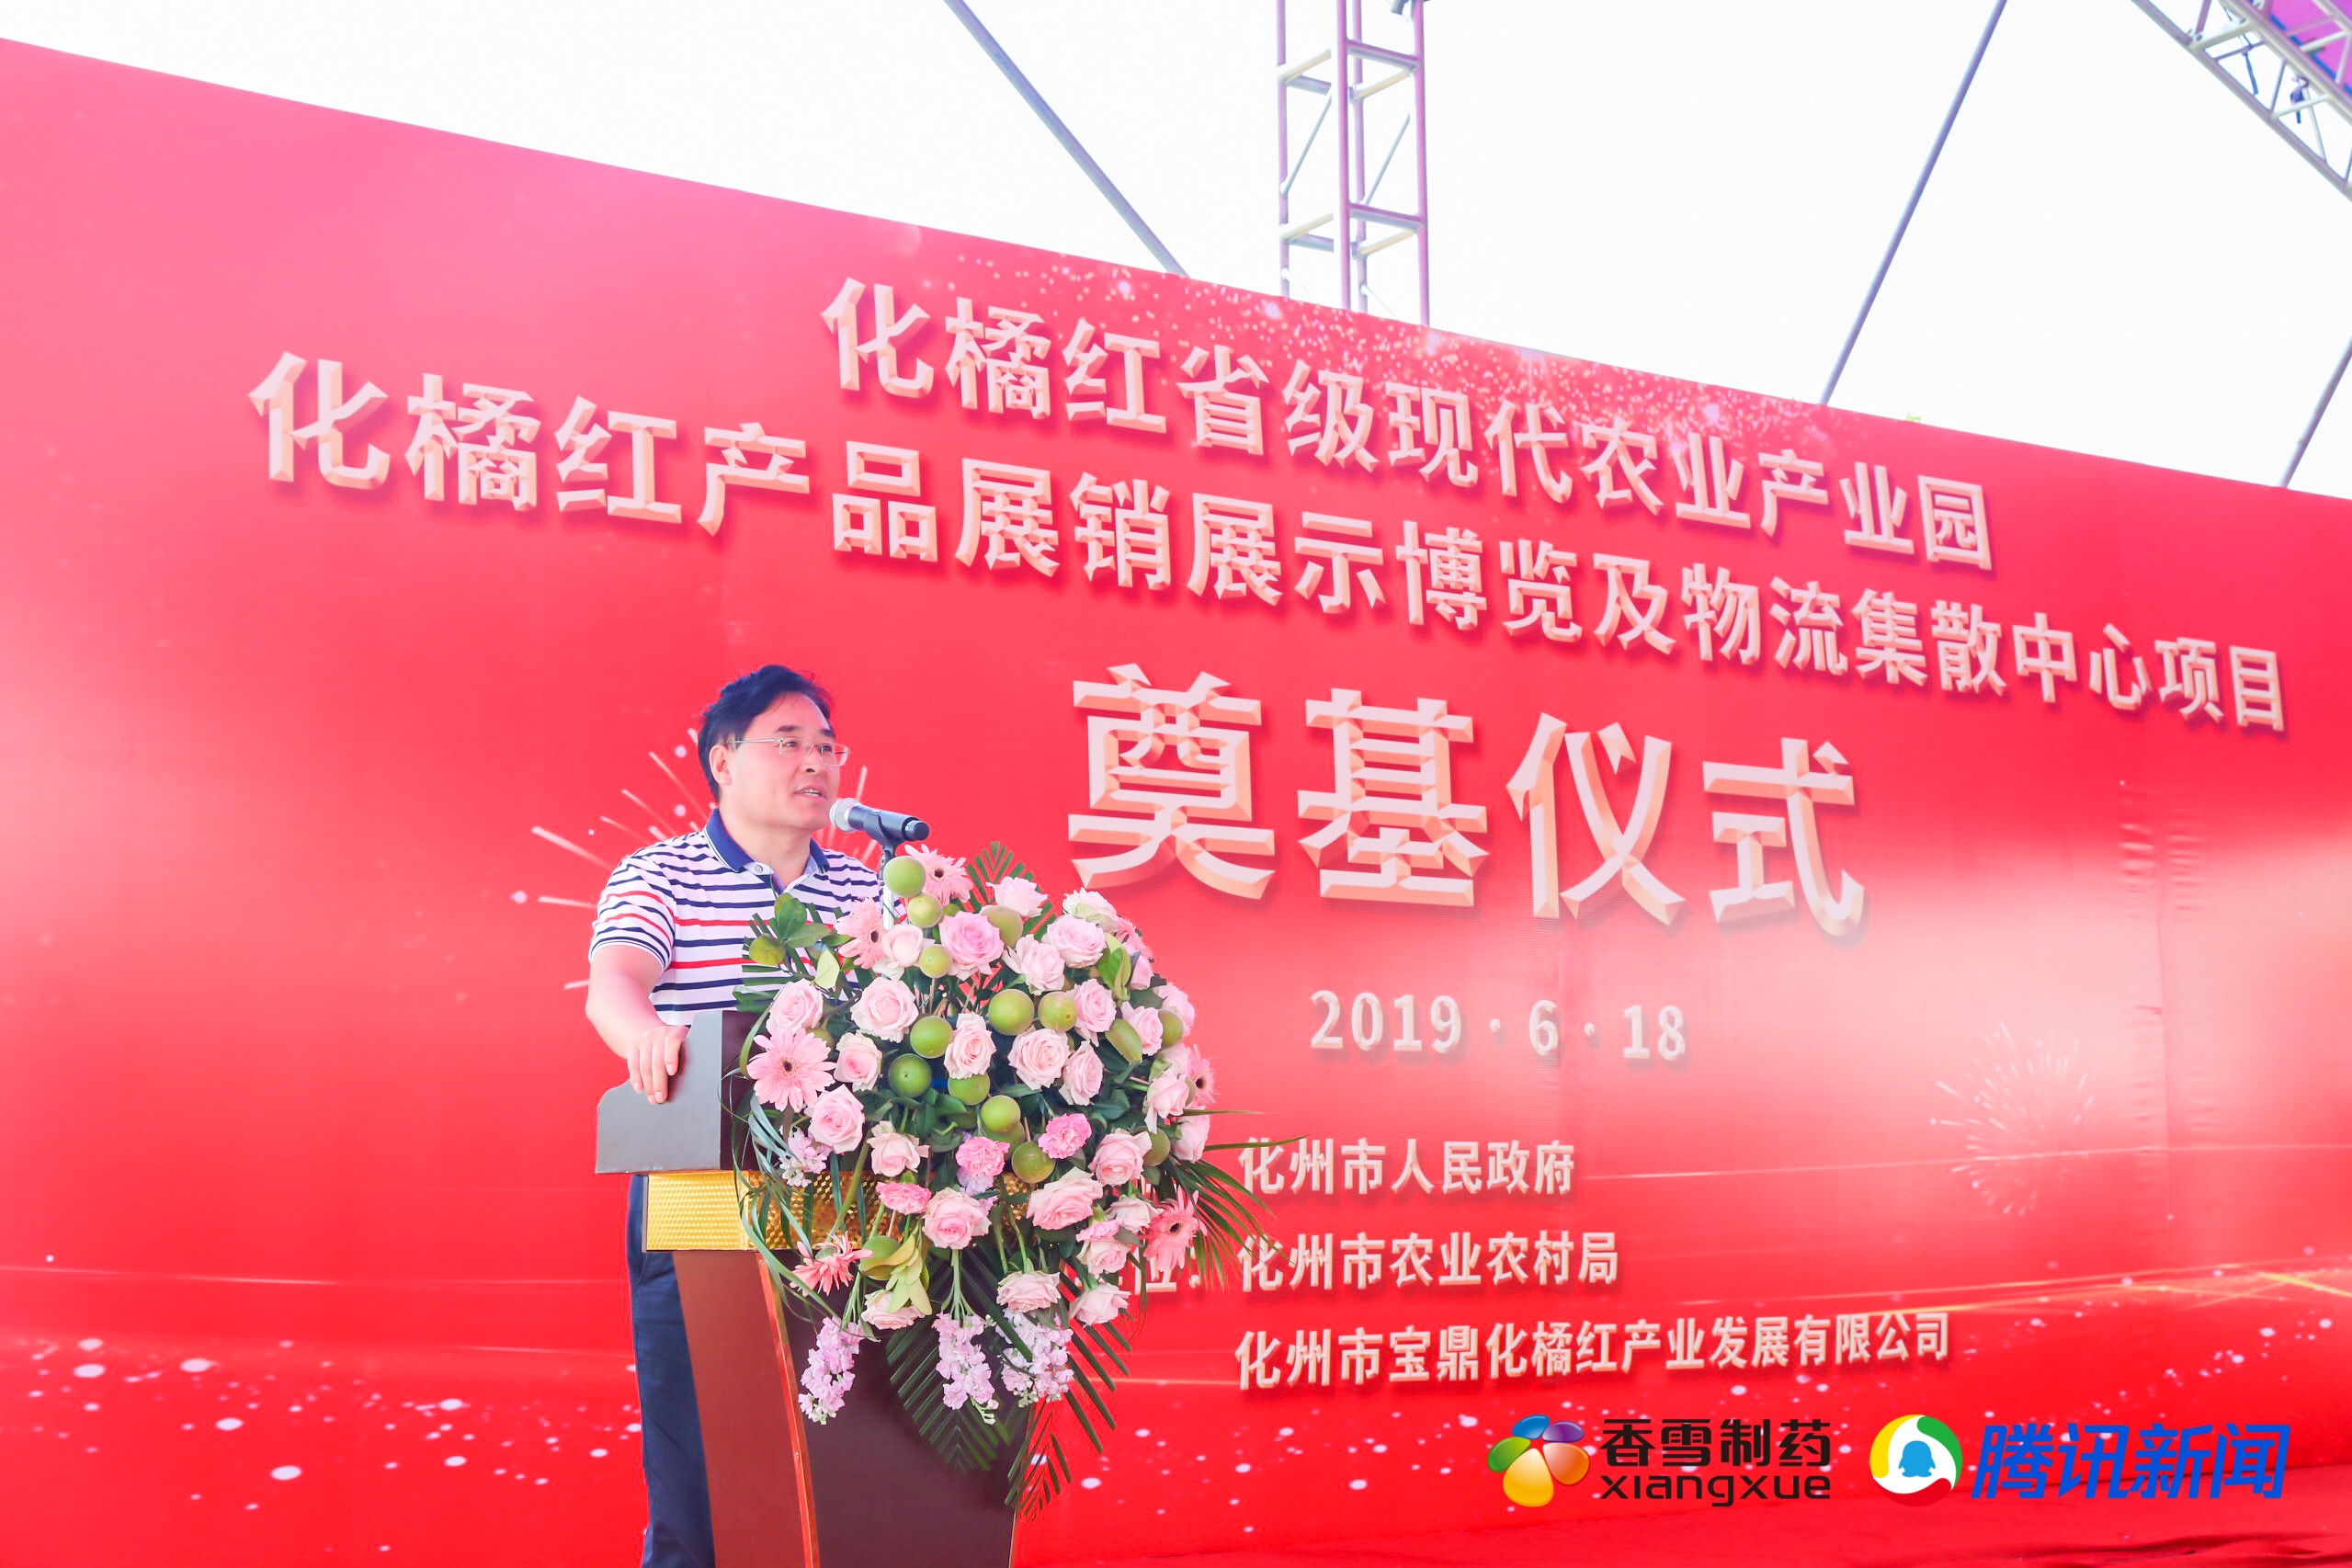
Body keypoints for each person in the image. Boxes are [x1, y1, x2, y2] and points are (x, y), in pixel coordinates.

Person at [582, 665, 887, 1568]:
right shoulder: (661, 872)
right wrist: (645, 1033)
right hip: (704, 1182)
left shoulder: (867, 893)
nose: (815, 762)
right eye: (788, 741)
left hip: (844, 1193)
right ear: (723, 760)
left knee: (844, 1450)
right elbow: (616, 981)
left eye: (826, 745)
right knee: (703, 1458)